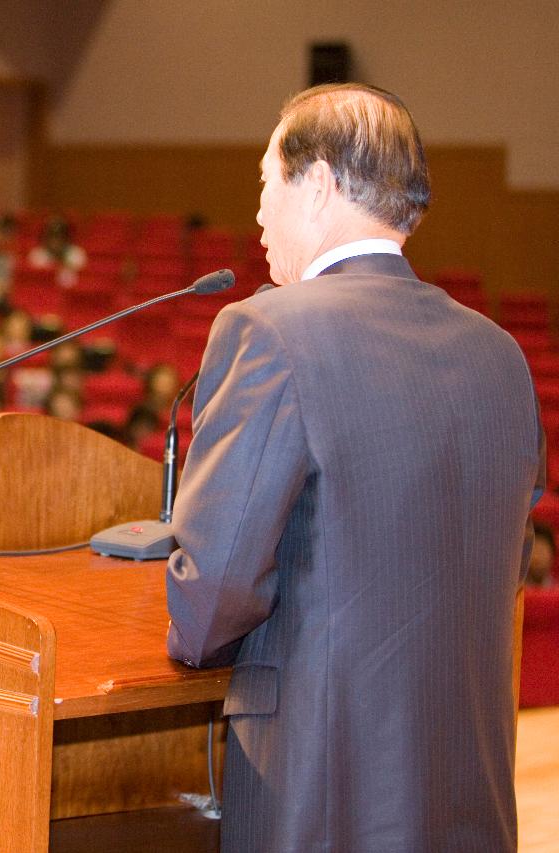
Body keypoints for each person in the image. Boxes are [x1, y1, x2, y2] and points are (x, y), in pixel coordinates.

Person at [163, 84, 544, 852]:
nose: (260, 214)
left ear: (321, 182)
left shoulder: (269, 330)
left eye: (266, 184)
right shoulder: (501, 353)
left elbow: (210, 596)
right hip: (466, 784)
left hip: (322, 788)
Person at [527, 521, 555, 587]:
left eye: (542, 551)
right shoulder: (517, 592)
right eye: (535, 550)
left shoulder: (556, 588)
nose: (537, 557)